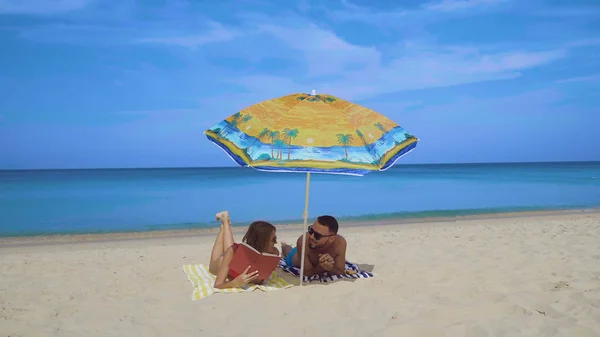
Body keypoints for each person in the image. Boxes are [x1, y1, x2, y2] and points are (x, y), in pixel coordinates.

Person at [209, 211, 279, 289]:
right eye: (273, 239)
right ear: (262, 241)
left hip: (233, 254)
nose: (276, 242)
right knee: (213, 267)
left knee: (230, 248)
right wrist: (234, 283)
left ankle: (225, 223)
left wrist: (271, 268)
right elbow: (217, 285)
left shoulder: (273, 253)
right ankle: (224, 223)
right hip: (221, 262)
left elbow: (259, 279)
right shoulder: (232, 252)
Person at [281, 215, 347, 277]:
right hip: (295, 256)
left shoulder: (340, 243)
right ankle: (283, 245)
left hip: (309, 248)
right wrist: (321, 268)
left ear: (331, 239)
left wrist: (330, 268)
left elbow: (340, 272)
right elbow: (307, 273)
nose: (311, 236)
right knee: (288, 251)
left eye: (317, 235)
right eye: (311, 230)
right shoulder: (303, 241)